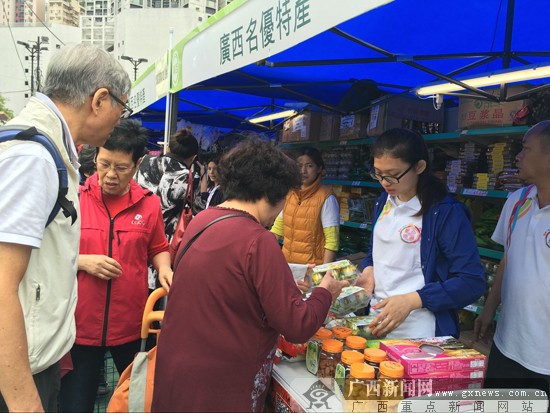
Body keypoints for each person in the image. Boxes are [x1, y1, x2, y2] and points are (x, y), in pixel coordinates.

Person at [151, 140, 348, 412]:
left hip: (178, 371)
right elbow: (297, 325)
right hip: (222, 386)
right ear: (272, 193)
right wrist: (325, 291)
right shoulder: (259, 240)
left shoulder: (202, 220)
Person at [0, 44, 130, 412]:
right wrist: (25, 403)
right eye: (123, 106)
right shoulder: (33, 157)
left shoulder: (49, 149)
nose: (120, 118)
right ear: (100, 99)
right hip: (19, 377)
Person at [59, 120, 172, 412]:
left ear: (137, 165)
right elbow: (51, 253)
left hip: (132, 326)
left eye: (121, 168)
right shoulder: (75, 198)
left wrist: (164, 268)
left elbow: (158, 247)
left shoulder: (148, 205)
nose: (110, 175)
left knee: (137, 402)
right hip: (80, 326)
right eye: (104, 164)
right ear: (95, 157)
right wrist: (83, 262)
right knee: (75, 404)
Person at [355, 128, 485, 339]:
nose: (385, 182)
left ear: (420, 167)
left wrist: (415, 300)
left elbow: (471, 281)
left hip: (420, 332)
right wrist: (369, 267)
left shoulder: (445, 212)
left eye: (394, 175)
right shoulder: (383, 202)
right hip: (377, 323)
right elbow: (379, 252)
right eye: (378, 174)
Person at [474, 121, 550, 397]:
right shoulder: (516, 201)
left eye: (526, 149)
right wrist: (489, 307)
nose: (518, 156)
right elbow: (510, 257)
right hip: (508, 344)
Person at [271, 147, 340, 265]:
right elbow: (277, 230)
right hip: (288, 265)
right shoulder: (290, 194)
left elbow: (332, 242)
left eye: (309, 166)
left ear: (319, 169)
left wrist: (323, 273)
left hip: (312, 270)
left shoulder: (327, 198)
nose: (303, 171)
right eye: (299, 166)